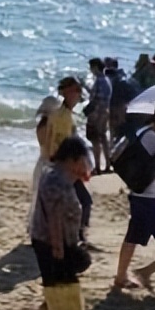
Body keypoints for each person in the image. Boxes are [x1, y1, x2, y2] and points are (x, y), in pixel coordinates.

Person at [113, 102, 155, 291]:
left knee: (133, 237)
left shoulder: (147, 133)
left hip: (144, 196)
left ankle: (122, 275)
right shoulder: (152, 137)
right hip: (151, 198)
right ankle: (151, 274)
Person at [24, 136, 90, 310]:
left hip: (58, 240)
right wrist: (58, 247)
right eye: (82, 160)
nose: (85, 164)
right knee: (61, 284)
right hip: (51, 241)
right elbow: (54, 215)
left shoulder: (62, 175)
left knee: (60, 282)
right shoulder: (56, 179)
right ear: (72, 159)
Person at [50, 77, 91, 236]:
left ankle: (77, 232)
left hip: (66, 165)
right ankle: (79, 234)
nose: (78, 95)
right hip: (66, 166)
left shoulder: (64, 115)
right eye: (76, 91)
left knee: (77, 201)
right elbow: (57, 143)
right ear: (67, 93)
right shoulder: (61, 116)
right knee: (84, 201)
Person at [28, 97, 61, 230]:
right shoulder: (48, 127)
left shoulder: (41, 126)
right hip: (48, 163)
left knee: (38, 198)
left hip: (42, 162)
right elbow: (49, 149)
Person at [87, 58, 113, 174]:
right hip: (105, 111)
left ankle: (97, 167)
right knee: (103, 138)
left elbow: (95, 99)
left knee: (95, 139)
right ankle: (108, 165)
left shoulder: (99, 81)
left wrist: (92, 113)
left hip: (97, 113)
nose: (91, 70)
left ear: (96, 67)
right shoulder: (107, 80)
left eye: (91, 67)